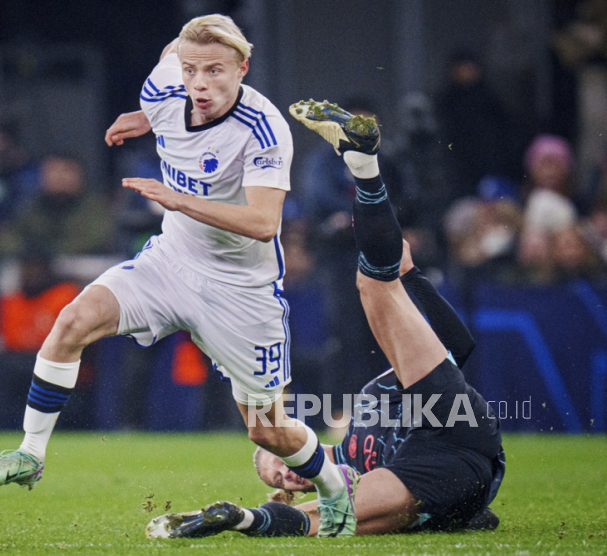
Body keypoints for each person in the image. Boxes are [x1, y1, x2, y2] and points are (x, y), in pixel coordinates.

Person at [0, 15, 359, 536]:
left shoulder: (263, 128)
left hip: (240, 290)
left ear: (243, 68)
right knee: (73, 321)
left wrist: (180, 200)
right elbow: (177, 56)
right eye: (192, 70)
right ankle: (30, 453)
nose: (200, 84)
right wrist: (147, 116)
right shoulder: (164, 86)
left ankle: (335, 489)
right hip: (171, 262)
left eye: (216, 71)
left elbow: (265, 223)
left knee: (269, 433)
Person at [146, 100, 504, 538]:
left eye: (279, 464)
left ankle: (364, 165)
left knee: (374, 285)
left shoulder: (363, 420)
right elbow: (311, 515)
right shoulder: (352, 472)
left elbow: (457, 352)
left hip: (455, 430)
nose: (286, 474)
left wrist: (411, 278)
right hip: (445, 479)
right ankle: (238, 518)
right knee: (334, 519)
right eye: (280, 479)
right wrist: (245, 516)